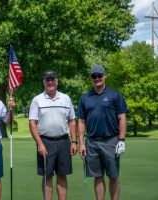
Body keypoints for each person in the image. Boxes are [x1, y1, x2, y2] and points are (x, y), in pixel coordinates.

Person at [77, 64, 128, 200]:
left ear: (104, 76)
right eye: (94, 76)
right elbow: (81, 121)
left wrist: (121, 140)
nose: (97, 78)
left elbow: (122, 118)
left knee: (113, 175)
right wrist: (81, 143)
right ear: (91, 78)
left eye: (99, 75)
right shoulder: (85, 97)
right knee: (97, 176)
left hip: (111, 140)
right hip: (92, 142)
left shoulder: (114, 94)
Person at [29, 70, 77, 200]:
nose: (50, 82)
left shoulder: (66, 98)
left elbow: (72, 120)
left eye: (52, 79)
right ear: (43, 82)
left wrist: (74, 141)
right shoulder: (37, 100)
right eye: (47, 80)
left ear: (57, 81)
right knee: (47, 176)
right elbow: (32, 123)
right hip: (45, 142)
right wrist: (39, 144)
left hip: (63, 141)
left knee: (62, 175)